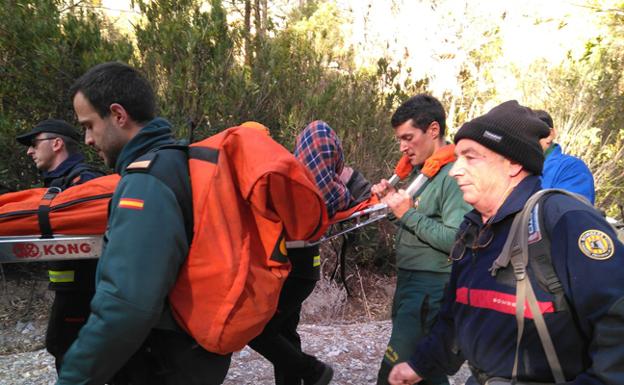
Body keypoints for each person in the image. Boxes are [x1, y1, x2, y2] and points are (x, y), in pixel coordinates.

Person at [388, 100, 624, 385]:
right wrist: (420, 365)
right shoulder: (473, 229)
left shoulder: (562, 220)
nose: (455, 170)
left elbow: (616, 320)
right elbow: (455, 315)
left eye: (470, 157)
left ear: (513, 163)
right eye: (457, 157)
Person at [56, 62, 231, 384]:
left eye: (89, 125)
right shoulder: (179, 159)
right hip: (195, 355)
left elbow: (125, 306)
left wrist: (73, 378)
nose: (88, 139)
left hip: (163, 362)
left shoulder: (145, 182)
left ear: (118, 115)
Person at [248, 120, 371, 385]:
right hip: (299, 267)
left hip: (297, 269)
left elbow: (326, 196)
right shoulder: (291, 176)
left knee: (258, 330)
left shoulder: (307, 179)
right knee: (284, 331)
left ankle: (313, 371)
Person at [371, 95, 472, 385]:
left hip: (430, 286)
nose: (402, 147)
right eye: (400, 139)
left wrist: (407, 214)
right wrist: (391, 204)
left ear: (433, 130)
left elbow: (456, 239)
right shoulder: (423, 173)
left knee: (393, 373)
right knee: (425, 368)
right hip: (410, 281)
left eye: (408, 137)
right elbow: (413, 222)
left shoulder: (452, 175)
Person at [16, 118, 104, 371]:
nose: (29, 151)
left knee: (65, 350)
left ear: (56, 144)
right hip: (71, 291)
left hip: (86, 294)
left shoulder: (84, 182)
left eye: (34, 143)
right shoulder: (59, 184)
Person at [534, 109, 595, 204]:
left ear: (550, 135)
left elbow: (572, 214)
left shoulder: (572, 169)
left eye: (531, 134)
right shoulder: (515, 167)